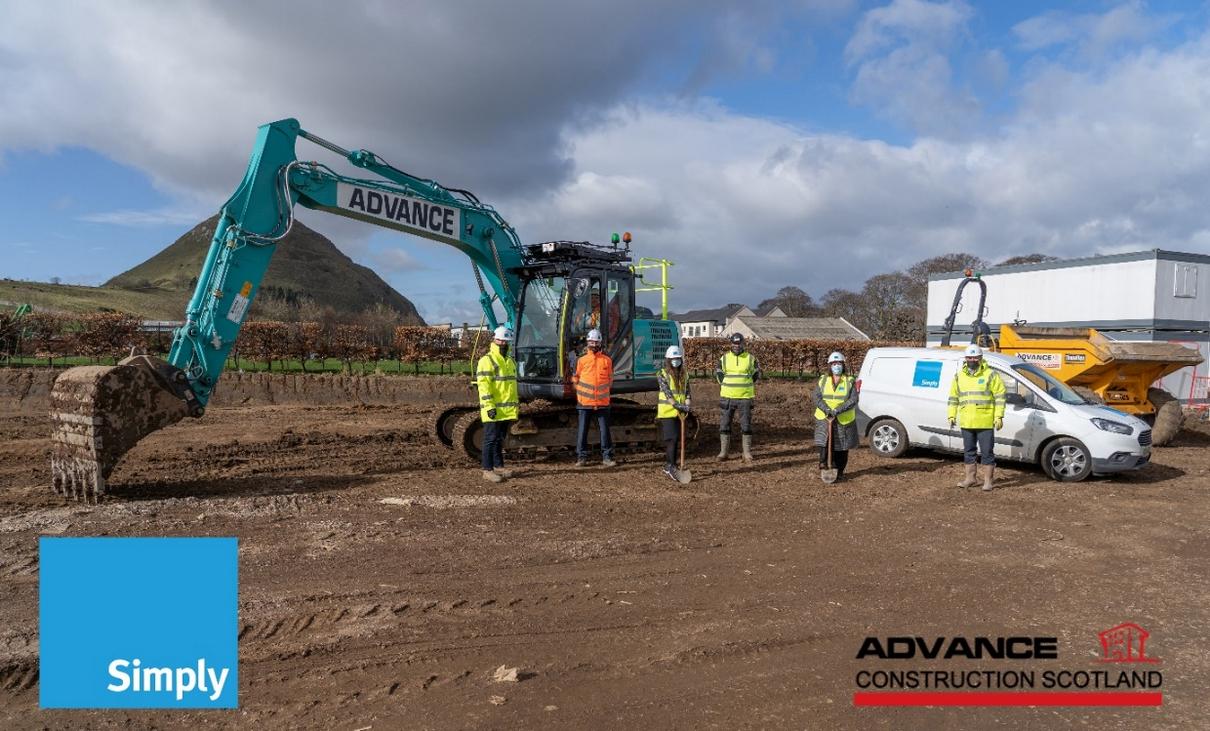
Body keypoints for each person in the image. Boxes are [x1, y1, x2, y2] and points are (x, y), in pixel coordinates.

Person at [947, 344, 1006, 491]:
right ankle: (970, 478)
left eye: (975, 357)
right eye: (969, 357)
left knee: (987, 452)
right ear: (965, 359)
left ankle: (988, 481)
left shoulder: (991, 375)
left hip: (985, 421)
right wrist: (951, 414)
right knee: (969, 451)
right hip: (967, 421)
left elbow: (1000, 396)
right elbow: (953, 397)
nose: (972, 360)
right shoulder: (959, 376)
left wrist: (999, 416)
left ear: (980, 358)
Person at [476, 325, 520, 483]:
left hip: (506, 410)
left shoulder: (509, 361)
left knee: (498, 439)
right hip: (493, 409)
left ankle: (498, 467)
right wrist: (489, 407)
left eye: (506, 341)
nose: (504, 343)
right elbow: (484, 387)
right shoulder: (486, 361)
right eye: (501, 340)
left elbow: (511, 387)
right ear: (495, 340)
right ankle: (487, 469)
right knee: (490, 439)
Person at [814, 351, 859, 481]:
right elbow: (816, 397)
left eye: (839, 363)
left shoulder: (849, 381)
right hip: (824, 417)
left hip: (843, 419)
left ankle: (839, 470)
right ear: (830, 365)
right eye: (834, 363)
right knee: (824, 442)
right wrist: (826, 409)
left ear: (843, 365)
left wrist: (837, 410)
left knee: (842, 446)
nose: (836, 366)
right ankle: (824, 465)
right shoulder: (823, 380)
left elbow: (853, 400)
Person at [716, 332, 761, 462]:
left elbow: (756, 374)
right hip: (727, 397)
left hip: (745, 397)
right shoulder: (724, 358)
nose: (737, 345)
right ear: (731, 343)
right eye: (734, 343)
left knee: (746, 426)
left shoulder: (751, 358)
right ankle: (723, 453)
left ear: (743, 343)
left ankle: (746, 453)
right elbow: (719, 373)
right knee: (724, 425)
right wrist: (724, 383)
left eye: (739, 343)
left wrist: (745, 384)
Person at [574, 328, 615, 467]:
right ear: (587, 343)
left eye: (596, 342)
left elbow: (610, 379)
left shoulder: (607, 361)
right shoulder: (581, 360)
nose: (594, 345)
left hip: (602, 402)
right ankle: (581, 457)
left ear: (600, 343)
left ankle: (607, 457)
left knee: (605, 431)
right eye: (591, 342)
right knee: (582, 431)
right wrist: (579, 391)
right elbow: (576, 378)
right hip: (584, 402)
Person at [656, 345, 692, 481]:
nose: (676, 361)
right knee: (672, 438)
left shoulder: (684, 374)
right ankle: (670, 465)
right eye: (673, 359)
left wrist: (687, 404)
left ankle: (671, 464)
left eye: (678, 358)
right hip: (668, 411)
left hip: (680, 412)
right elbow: (667, 392)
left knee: (677, 439)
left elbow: (687, 391)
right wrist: (676, 405)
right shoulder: (662, 374)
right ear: (668, 360)